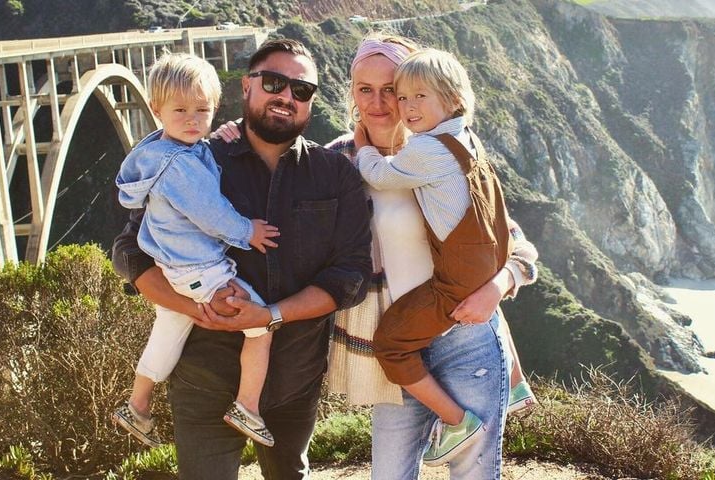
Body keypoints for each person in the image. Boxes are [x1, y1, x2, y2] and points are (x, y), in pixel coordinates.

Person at [214, 34, 539, 479]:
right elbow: (275, 171)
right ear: (351, 92)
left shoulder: (441, 153)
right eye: (365, 89)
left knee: (475, 472)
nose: (379, 102)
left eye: (392, 89)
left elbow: (511, 240)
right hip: (390, 350)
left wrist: (497, 288)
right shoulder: (337, 161)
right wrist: (233, 134)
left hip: (465, 335)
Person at [111, 39, 372, 479]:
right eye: (273, 83)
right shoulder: (196, 161)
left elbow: (351, 276)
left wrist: (269, 315)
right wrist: (197, 309)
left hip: (295, 380)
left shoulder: (334, 174)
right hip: (204, 379)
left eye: (301, 89)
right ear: (247, 86)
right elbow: (129, 253)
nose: (286, 96)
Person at [111, 52, 283, 449]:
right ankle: (247, 406)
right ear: (155, 109)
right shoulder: (180, 166)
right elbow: (211, 212)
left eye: (202, 110)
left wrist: (218, 135)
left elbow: (198, 148)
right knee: (261, 325)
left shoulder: (158, 152)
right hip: (201, 269)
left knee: (168, 332)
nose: (192, 120)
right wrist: (248, 231)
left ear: (214, 109)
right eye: (180, 111)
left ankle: (137, 405)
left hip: (173, 268)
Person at [354, 47, 514, 466]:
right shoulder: (465, 141)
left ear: (454, 98)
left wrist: (362, 146)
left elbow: (379, 174)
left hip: (461, 305)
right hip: (472, 272)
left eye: (415, 95)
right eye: (403, 96)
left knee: (389, 343)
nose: (403, 105)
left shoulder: (425, 149)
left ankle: (457, 421)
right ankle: (504, 388)